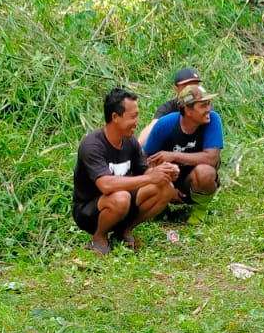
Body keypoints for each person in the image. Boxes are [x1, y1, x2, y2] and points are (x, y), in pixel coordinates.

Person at [73, 87, 179, 255]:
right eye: (133, 116)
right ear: (115, 117)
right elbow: (106, 185)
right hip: (89, 211)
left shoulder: (130, 142)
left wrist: (164, 171)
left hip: (123, 201)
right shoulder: (92, 145)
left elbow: (144, 172)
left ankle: (124, 230)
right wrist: (151, 179)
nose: (137, 122)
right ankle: (99, 237)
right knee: (121, 197)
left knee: (166, 188)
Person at [142, 84, 223, 225]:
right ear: (188, 110)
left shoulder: (213, 120)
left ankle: (199, 210)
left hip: (192, 182)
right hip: (166, 180)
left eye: (209, 104)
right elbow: (144, 161)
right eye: (203, 106)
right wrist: (166, 187)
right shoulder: (165, 124)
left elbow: (211, 159)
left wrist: (174, 156)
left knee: (206, 171)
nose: (208, 110)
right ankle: (161, 207)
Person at [137, 66, 204, 143]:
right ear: (176, 89)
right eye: (187, 87)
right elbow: (153, 127)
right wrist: (136, 148)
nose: (192, 91)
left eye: (195, 86)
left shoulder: (205, 107)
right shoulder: (168, 108)